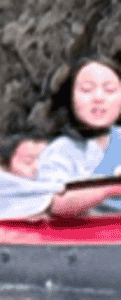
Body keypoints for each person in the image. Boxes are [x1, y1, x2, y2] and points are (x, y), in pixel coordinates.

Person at [35, 55, 121, 215]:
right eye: (87, 89)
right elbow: (53, 203)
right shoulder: (60, 151)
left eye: (110, 90)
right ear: (70, 98)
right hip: (88, 229)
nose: (99, 98)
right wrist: (112, 186)